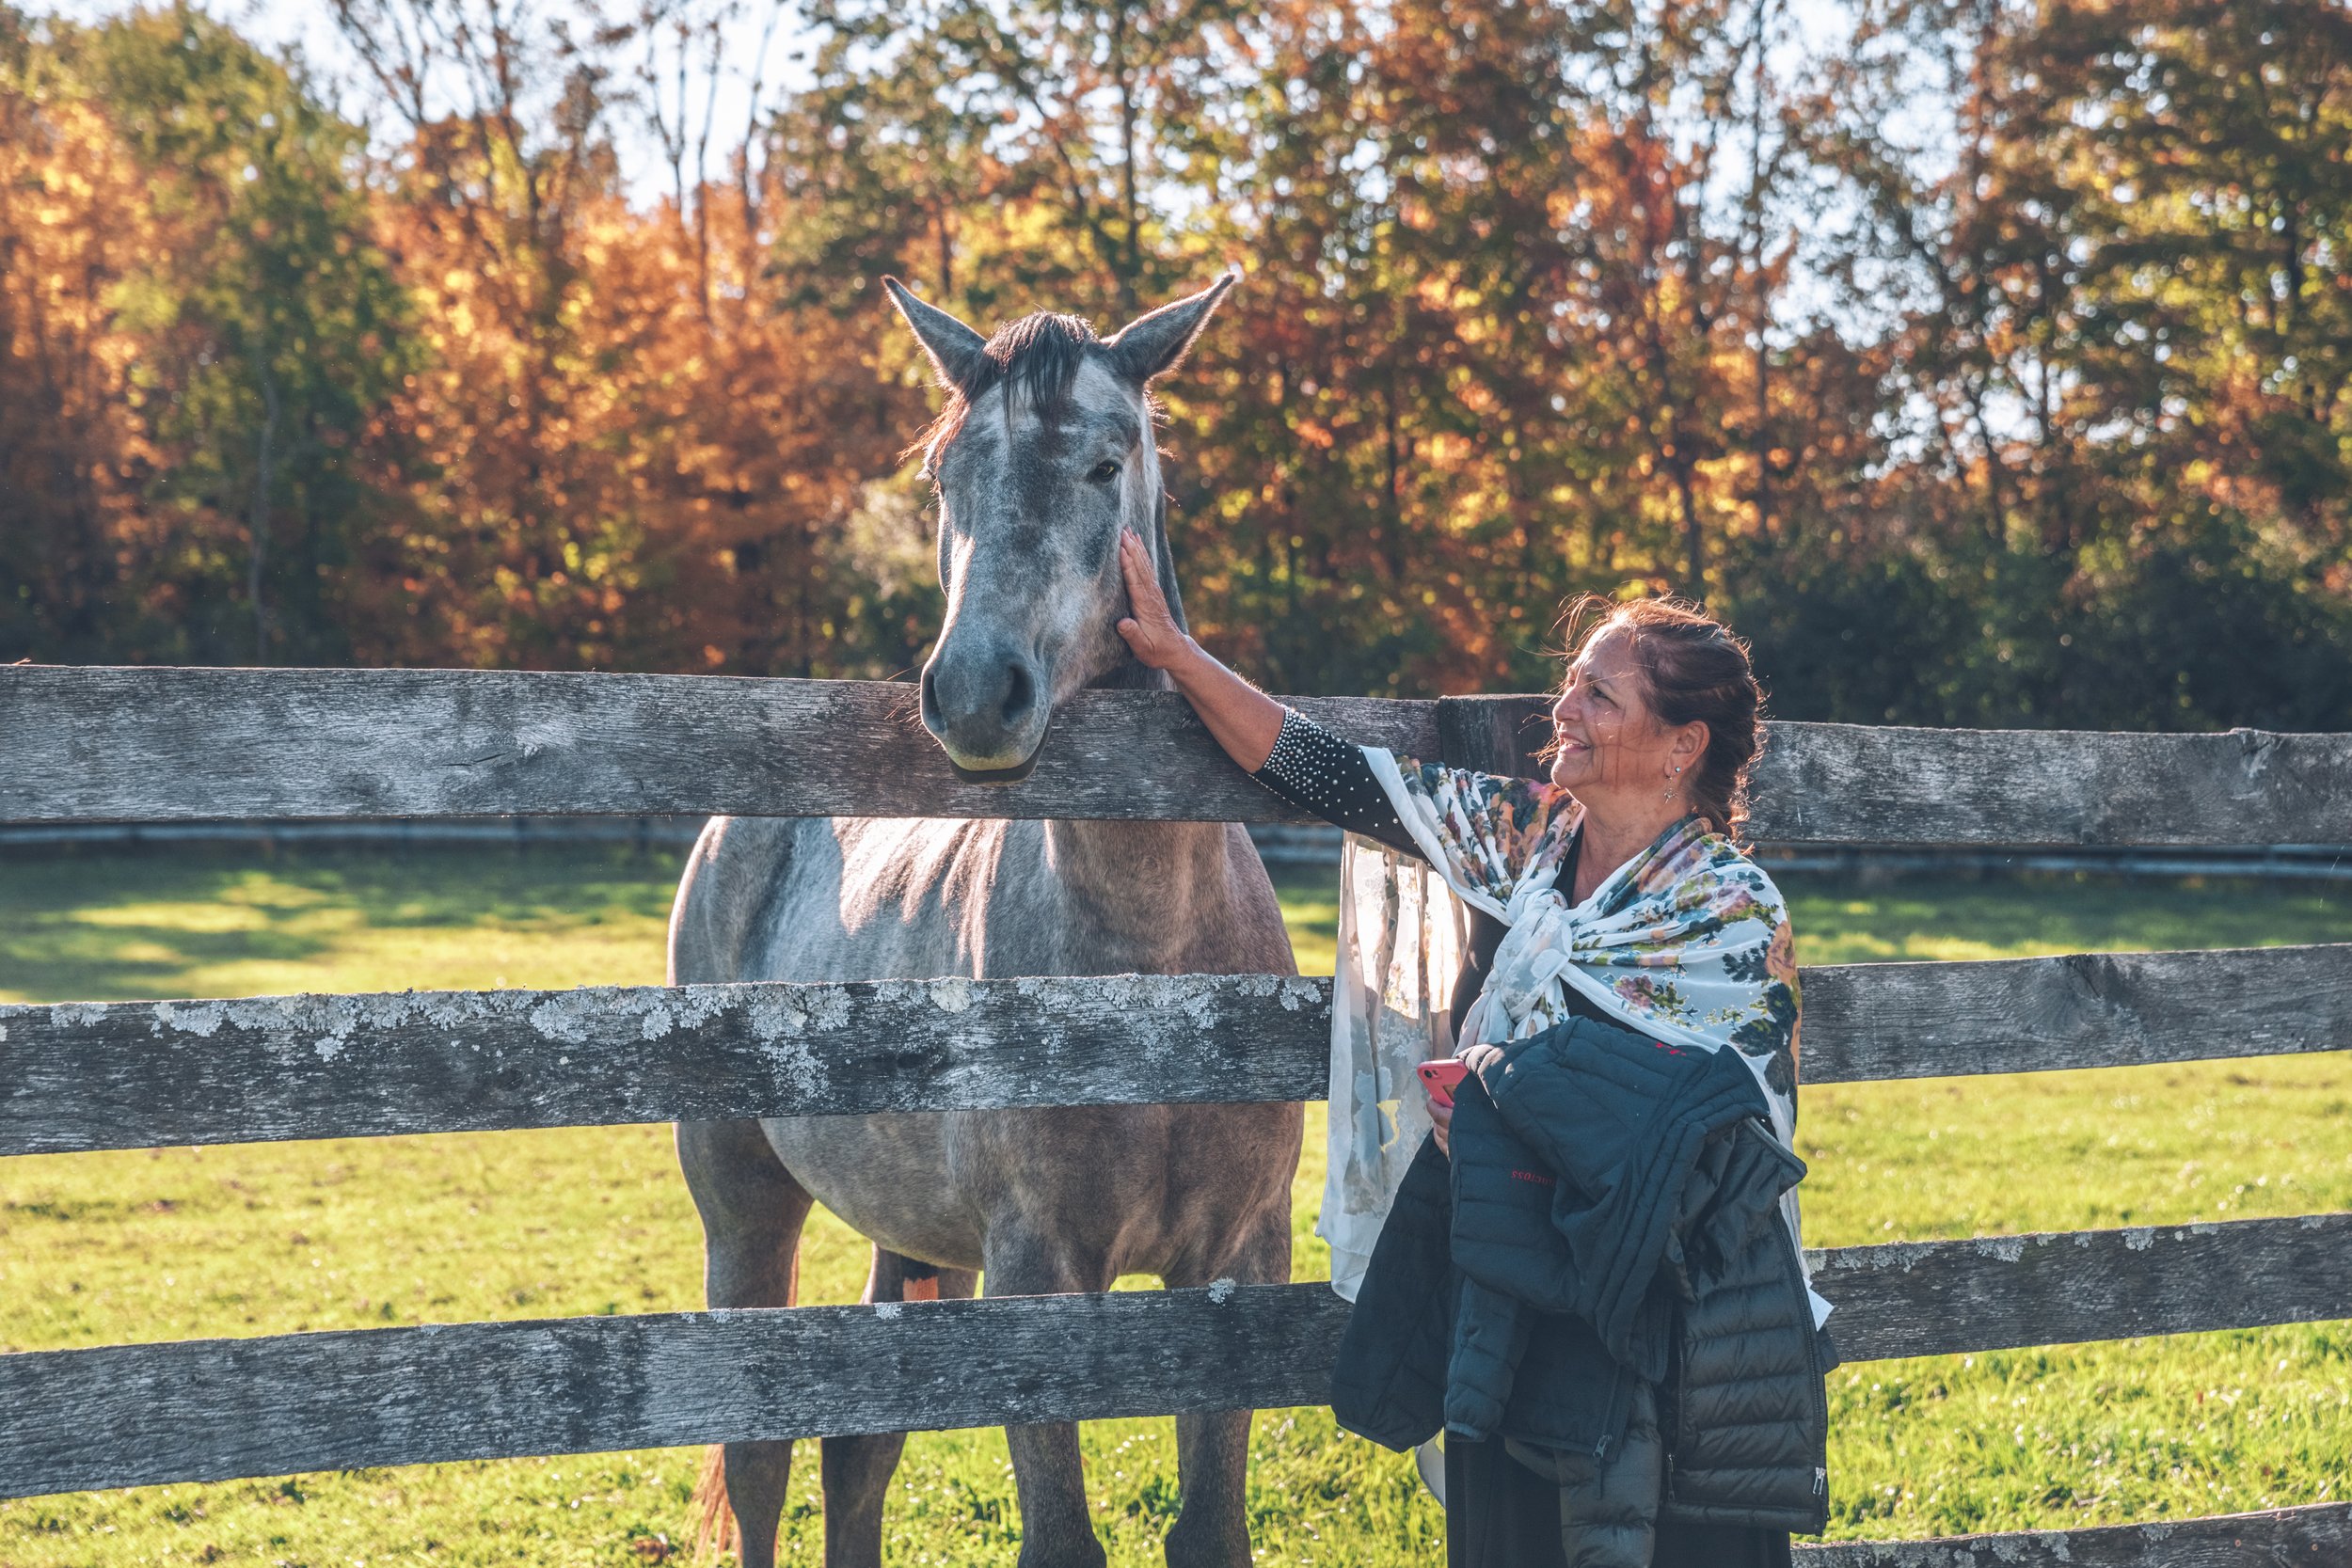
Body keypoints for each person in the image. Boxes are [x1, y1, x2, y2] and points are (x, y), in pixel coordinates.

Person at [1112, 530, 1817, 1568]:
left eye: (1599, 698)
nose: (1561, 712)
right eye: (1570, 684)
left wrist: (1492, 1100)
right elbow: (1327, 771)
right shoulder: (1527, 838)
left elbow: (1714, 1133)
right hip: (1517, 1281)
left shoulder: (1729, 910)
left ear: (1681, 745)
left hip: (1666, 1318)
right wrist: (1178, 656)